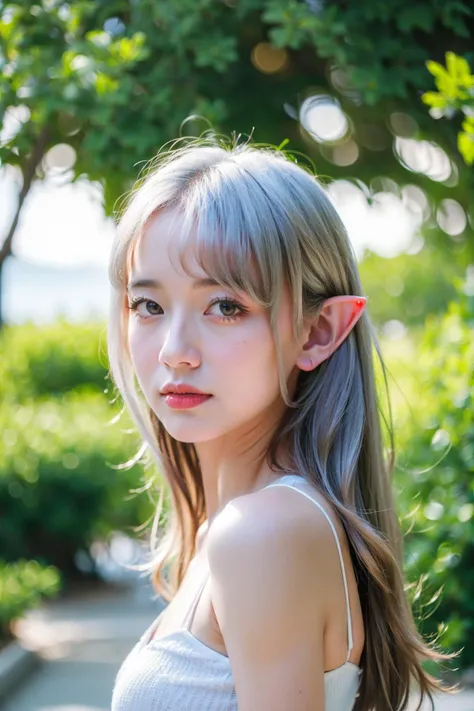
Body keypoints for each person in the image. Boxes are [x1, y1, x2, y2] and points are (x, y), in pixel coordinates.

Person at [108, 134, 457, 710]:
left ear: (319, 331)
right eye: (148, 305)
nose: (174, 350)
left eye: (226, 307)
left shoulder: (262, 532)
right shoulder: (247, 525)